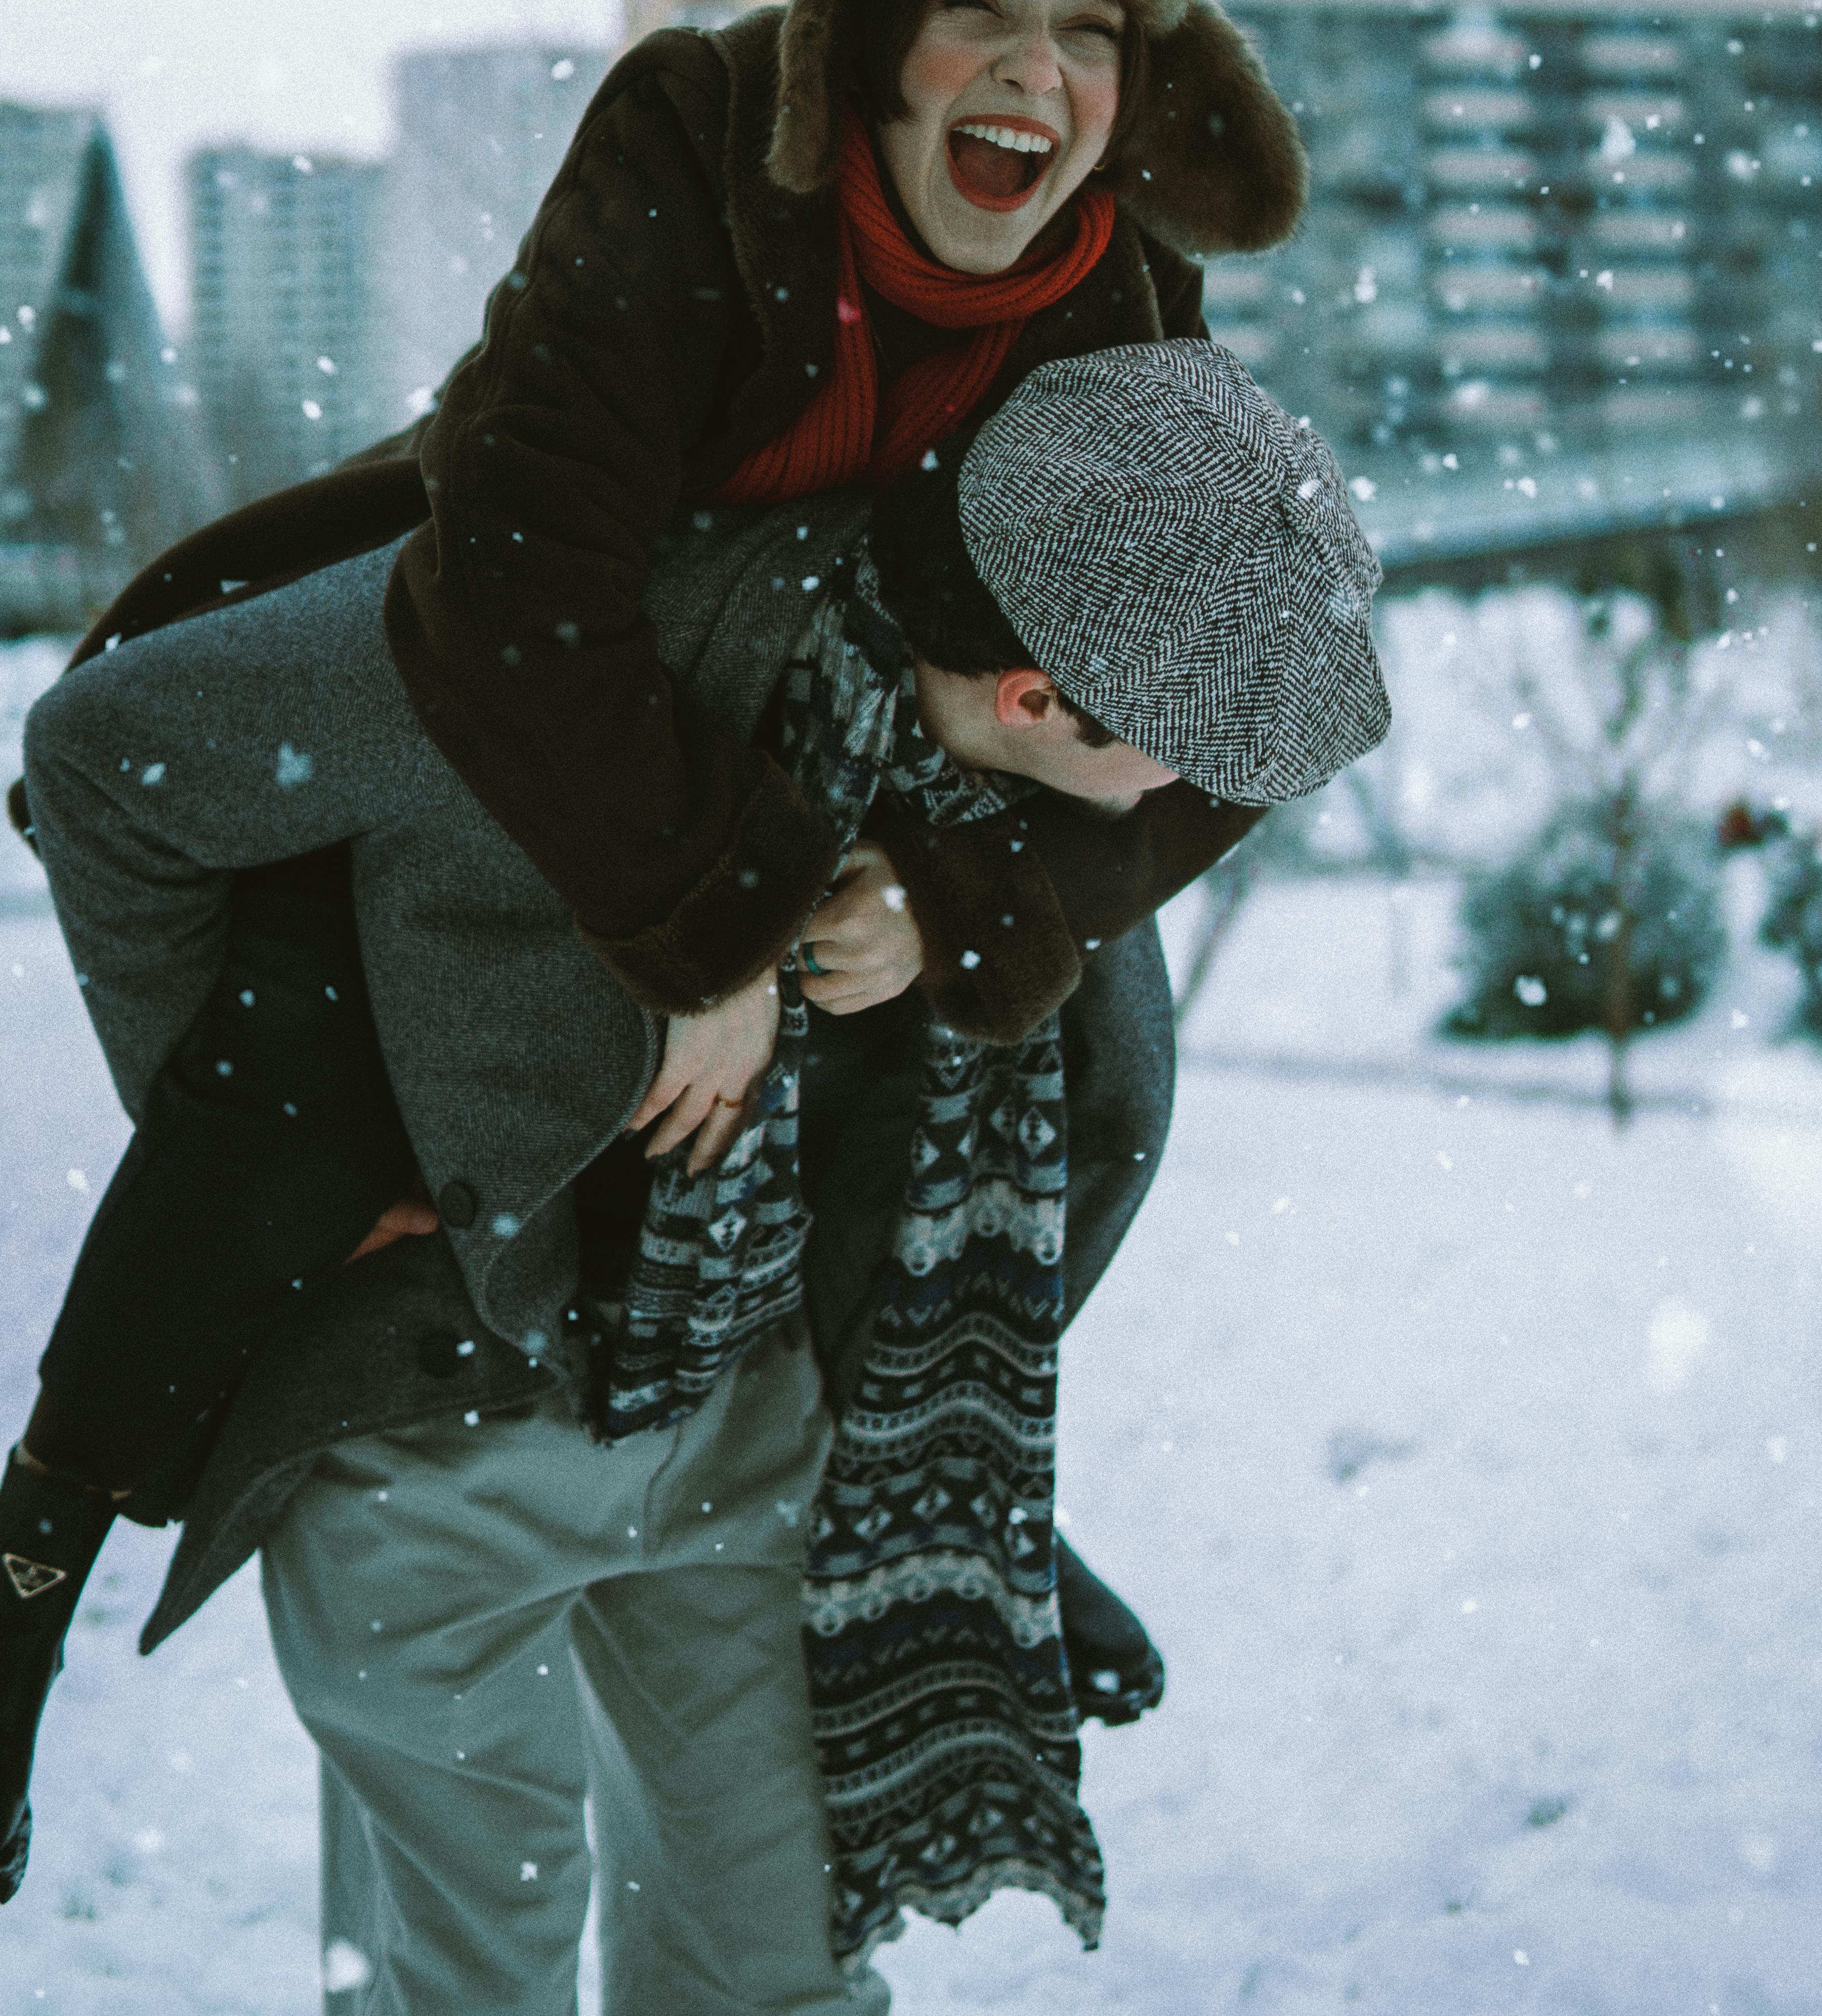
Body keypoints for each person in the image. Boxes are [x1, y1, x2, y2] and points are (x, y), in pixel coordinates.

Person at [1, 0, 1309, 1732]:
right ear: (872, 17)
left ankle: (950, 1470)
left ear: (1144, 82)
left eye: (1092, 28)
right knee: (303, 1047)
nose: (1029, 67)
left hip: (852, 689)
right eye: (977, 3)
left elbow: (1232, 671)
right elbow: (525, 569)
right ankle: (39, 1542)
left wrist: (957, 894)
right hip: (545, 646)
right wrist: (714, 928)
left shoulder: (1124, 286)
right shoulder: (698, 129)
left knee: (1099, 1051)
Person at [5, 343, 1389, 2005]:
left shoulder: (1015, 820)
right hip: (435, 1424)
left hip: (760, 1432)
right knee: (469, 1989)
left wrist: (941, 902)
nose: (1182, 809)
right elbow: (109, 760)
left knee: (772, 1977)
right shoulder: (565, 640)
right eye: (1173, 763)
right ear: (1034, 702)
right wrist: (290, 1165)